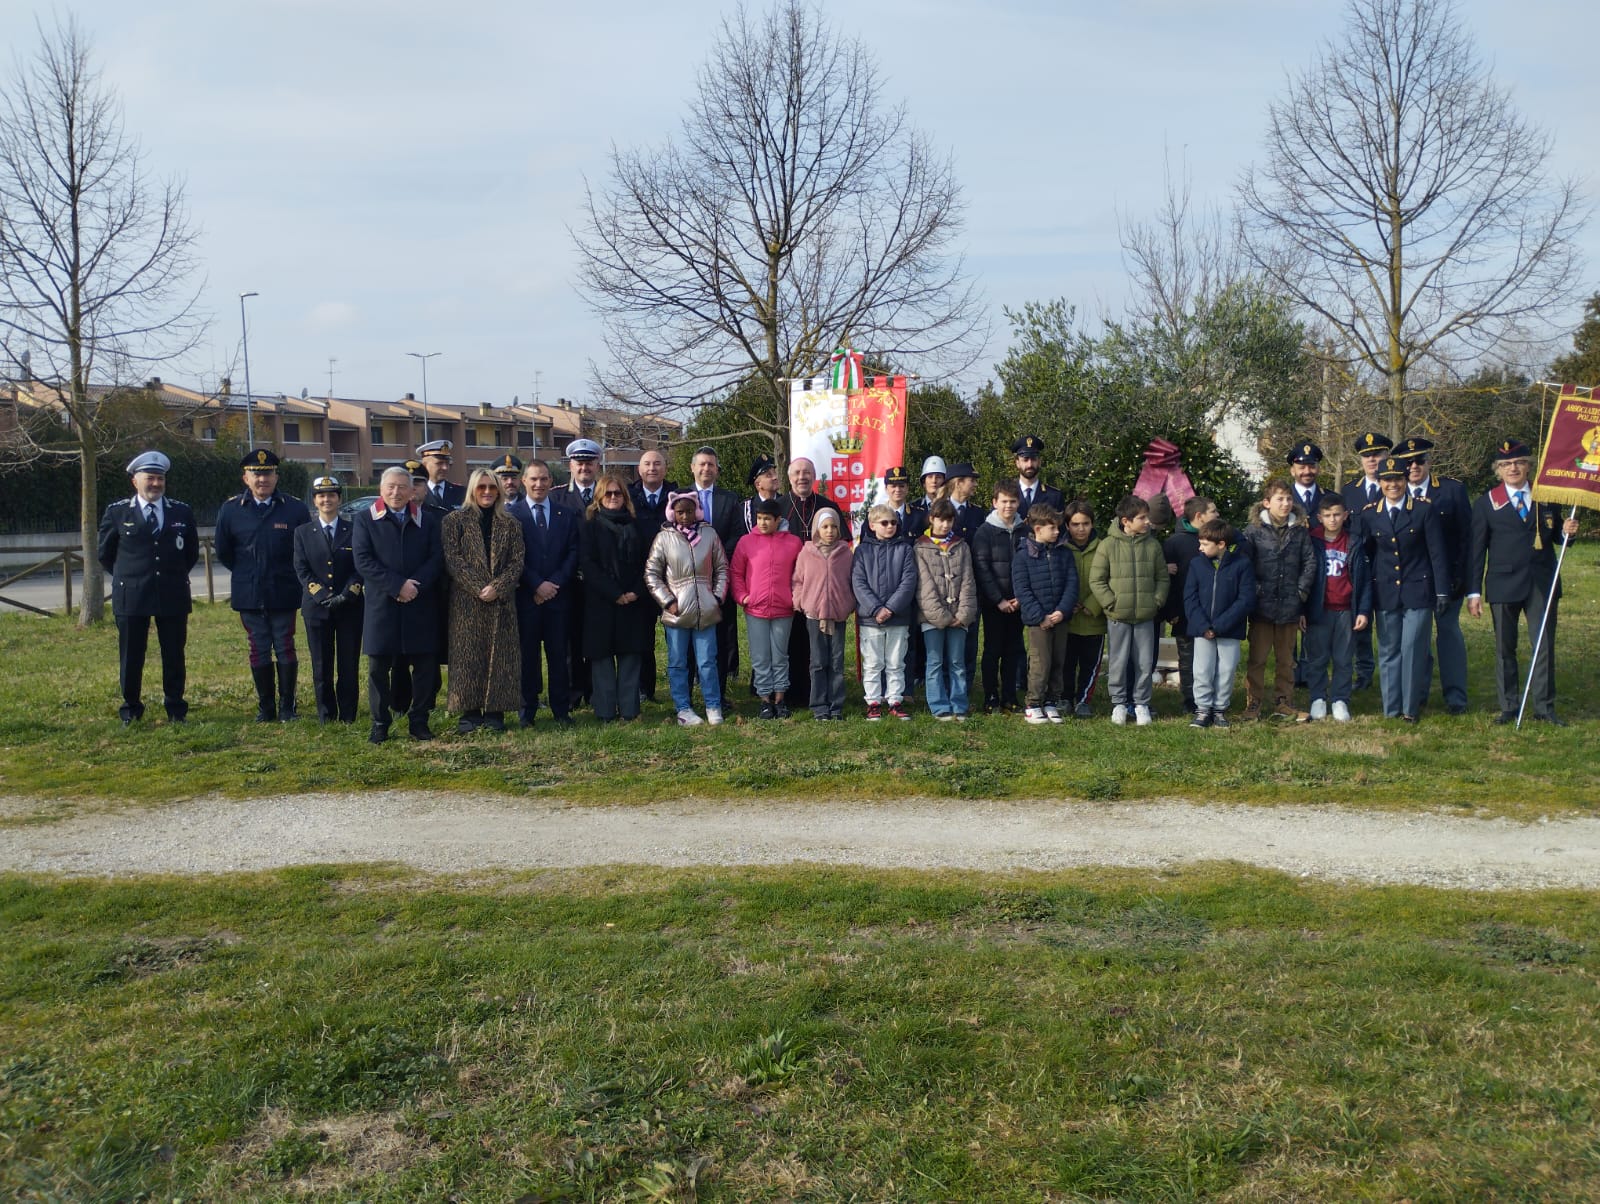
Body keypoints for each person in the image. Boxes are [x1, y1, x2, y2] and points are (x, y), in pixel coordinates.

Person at [1466, 439, 1580, 725]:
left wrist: (1568, 532)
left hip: (1541, 582)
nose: (1513, 468)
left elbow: (1559, 540)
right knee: (1505, 648)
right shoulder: (1487, 502)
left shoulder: (1546, 498)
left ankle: (1544, 707)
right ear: (1498, 470)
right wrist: (1473, 592)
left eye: (1518, 463)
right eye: (1505, 465)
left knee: (1543, 646)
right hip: (1503, 583)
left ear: (1528, 465)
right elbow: (1476, 551)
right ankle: (1509, 706)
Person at [96, 450, 200, 725]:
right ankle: (131, 709)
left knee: (174, 654)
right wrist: (130, 577)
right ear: (135, 481)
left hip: (172, 593)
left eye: (160, 479)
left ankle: (176, 708)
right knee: (131, 655)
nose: (155, 484)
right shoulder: (117, 512)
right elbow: (106, 554)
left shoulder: (181, 510)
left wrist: (170, 576)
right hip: (132, 595)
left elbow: (190, 553)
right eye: (150, 478)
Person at [215, 448, 311, 722]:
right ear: (245, 478)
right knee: (257, 647)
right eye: (256, 474)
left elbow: (305, 550)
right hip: (249, 591)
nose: (262, 480)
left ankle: (287, 707)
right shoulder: (231, 509)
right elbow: (224, 552)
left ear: (276, 476)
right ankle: (266, 707)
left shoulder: (294, 509)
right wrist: (250, 573)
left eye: (267, 473)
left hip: (284, 589)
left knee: (285, 645)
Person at [352, 465, 445, 742]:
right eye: (390, 486)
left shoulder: (427, 520)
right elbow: (363, 560)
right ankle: (380, 723)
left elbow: (436, 559)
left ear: (411, 490)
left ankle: (419, 721)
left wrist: (414, 586)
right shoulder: (365, 519)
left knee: (425, 666)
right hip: (383, 605)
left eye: (402, 487)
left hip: (419, 602)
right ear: (381, 490)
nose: (396, 492)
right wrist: (397, 586)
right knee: (378, 669)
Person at [1361, 455, 1451, 723]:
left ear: (1405, 480)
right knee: (1388, 651)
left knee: (1412, 649)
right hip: (1385, 591)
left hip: (1418, 590)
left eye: (1397, 479)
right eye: (1387, 480)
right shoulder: (1369, 514)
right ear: (1379, 482)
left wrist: (1442, 591)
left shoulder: (1423, 510)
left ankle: (1410, 709)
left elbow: (1437, 553)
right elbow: (1365, 556)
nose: (1393, 485)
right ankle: (1391, 709)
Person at [441, 469, 524, 734]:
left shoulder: (510, 523)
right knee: (468, 658)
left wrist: (497, 587)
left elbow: (517, 562)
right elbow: (453, 560)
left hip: (501, 603)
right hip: (467, 602)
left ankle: (495, 712)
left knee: (500, 658)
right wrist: (479, 588)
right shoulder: (455, 521)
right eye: (481, 488)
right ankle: (469, 712)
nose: (487, 492)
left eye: (492, 488)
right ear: (472, 490)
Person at [1394, 436, 1472, 714]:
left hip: (1447, 580)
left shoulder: (1452, 491)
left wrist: (1462, 577)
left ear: (1429, 462)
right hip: (1413, 581)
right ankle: (1418, 693)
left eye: (1419, 460)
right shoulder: (1393, 494)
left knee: (1448, 635)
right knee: (1416, 640)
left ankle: (1456, 698)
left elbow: (1466, 539)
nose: (1414, 466)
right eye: (1408, 462)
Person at [646, 492, 729, 726]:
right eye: (680, 512)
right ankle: (683, 708)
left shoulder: (709, 534)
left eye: (689, 511)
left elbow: (722, 567)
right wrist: (667, 601)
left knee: (707, 661)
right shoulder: (664, 538)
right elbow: (652, 573)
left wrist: (716, 597)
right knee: (678, 662)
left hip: (706, 609)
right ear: (672, 512)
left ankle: (713, 705)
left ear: (697, 511)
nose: (684, 516)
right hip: (677, 611)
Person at [507, 459, 579, 727]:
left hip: (558, 598)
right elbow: (513, 556)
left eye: (544, 479)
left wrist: (553, 584)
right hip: (527, 597)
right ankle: (527, 711)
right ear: (524, 481)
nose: (539, 484)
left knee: (559, 655)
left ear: (551, 482)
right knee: (528, 657)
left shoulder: (565, 514)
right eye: (534, 479)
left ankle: (561, 709)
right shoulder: (512, 515)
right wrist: (537, 585)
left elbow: (573, 553)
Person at [580, 472, 656, 722]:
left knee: (630, 657)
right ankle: (604, 711)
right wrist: (614, 593)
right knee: (601, 659)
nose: (613, 498)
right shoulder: (590, 525)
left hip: (633, 602)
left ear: (625, 497)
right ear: (599, 497)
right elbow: (587, 564)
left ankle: (630, 710)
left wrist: (635, 591)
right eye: (608, 493)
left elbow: (648, 561)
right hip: (601, 603)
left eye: (618, 493)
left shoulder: (636, 525)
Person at [1239, 480, 1316, 722]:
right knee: (1258, 658)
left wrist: (1300, 592)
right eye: (1280, 499)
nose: (1285, 504)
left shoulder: (1300, 531)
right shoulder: (1253, 531)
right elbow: (1245, 565)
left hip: (1290, 606)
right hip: (1262, 606)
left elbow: (1310, 563)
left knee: (1286, 659)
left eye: (1289, 499)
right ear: (1267, 503)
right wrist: (1257, 591)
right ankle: (1254, 703)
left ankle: (1284, 701)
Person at [1089, 494, 1168, 725]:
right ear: (1126, 521)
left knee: (1144, 663)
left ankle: (1141, 703)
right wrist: (1111, 603)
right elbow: (1097, 580)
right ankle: (1119, 704)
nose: (1147, 522)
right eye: (1142, 518)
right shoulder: (1107, 545)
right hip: (1118, 618)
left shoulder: (1153, 546)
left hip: (1145, 617)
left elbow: (1162, 578)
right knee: (1118, 661)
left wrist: (1156, 602)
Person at [292, 476, 365, 724]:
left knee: (348, 663)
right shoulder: (302, 532)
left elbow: (360, 566)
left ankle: (347, 714)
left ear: (339, 499)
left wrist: (348, 593)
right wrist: (322, 595)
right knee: (321, 664)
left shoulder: (354, 530)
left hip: (349, 607)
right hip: (316, 608)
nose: (326, 500)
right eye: (321, 496)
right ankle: (326, 714)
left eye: (331, 495)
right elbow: (301, 568)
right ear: (314, 500)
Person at [729, 496, 804, 719]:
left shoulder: (793, 543)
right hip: (756, 609)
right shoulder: (746, 542)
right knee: (761, 656)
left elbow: (800, 575)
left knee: (780, 656)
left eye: (767, 519)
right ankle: (764, 699)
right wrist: (742, 596)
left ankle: (780, 699)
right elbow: (736, 572)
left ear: (778, 519)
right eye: (759, 518)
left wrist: (794, 598)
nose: (762, 523)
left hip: (784, 608)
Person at [781, 456, 845, 709]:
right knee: (793, 643)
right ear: (789, 477)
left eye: (807, 472)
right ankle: (796, 693)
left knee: (825, 651)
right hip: (792, 588)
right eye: (797, 473)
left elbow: (842, 547)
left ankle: (822, 695)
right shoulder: (781, 506)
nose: (802, 477)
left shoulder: (828, 507)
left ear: (814, 476)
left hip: (823, 593)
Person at [1303, 495, 1372, 723]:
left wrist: (1362, 610)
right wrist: (1301, 610)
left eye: (1337, 515)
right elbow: (1303, 577)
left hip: (1346, 609)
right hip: (1318, 609)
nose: (1333, 519)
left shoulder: (1354, 542)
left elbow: (1363, 580)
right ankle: (1318, 698)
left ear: (1345, 515)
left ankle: (1340, 699)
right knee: (1317, 657)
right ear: (1319, 518)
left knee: (1344, 658)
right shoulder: (1311, 540)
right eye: (1328, 515)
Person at [1182, 519, 1256, 728]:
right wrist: (1204, 626)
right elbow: (1190, 597)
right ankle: (1203, 709)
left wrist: (1220, 625)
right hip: (1202, 629)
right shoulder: (1196, 564)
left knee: (1226, 670)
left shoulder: (1242, 565)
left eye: (1205, 544)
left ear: (1221, 544)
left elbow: (1246, 599)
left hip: (1229, 629)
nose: (1200, 548)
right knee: (1202, 670)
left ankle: (1220, 709)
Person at [1013, 504, 1079, 725]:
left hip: (1060, 618)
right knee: (1040, 663)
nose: (1058, 532)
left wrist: (1062, 611)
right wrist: (1040, 616)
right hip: (1038, 622)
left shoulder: (1064, 554)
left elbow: (1072, 584)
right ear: (1038, 528)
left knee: (1058, 661)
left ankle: (1052, 701)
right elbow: (1022, 590)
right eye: (1052, 528)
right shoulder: (1023, 556)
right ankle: (1033, 703)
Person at [687, 446, 744, 702]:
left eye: (710, 464)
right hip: (687, 581)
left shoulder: (730, 499)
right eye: (701, 464)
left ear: (716, 469)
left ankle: (718, 694)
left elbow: (736, 535)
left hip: (720, 579)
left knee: (721, 638)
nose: (706, 468)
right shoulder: (679, 497)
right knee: (687, 641)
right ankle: (685, 696)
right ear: (693, 468)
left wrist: (715, 561)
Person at [914, 498, 978, 720]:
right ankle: (939, 705)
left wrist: (962, 614)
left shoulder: (962, 546)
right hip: (932, 617)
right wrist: (941, 616)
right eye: (940, 520)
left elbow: (968, 581)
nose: (945, 525)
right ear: (932, 519)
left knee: (957, 662)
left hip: (959, 616)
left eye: (949, 520)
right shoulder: (920, 546)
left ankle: (959, 704)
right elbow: (925, 587)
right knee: (934, 662)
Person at [853, 504, 917, 721]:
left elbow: (908, 582)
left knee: (896, 661)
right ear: (872, 525)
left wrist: (890, 608)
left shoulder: (905, 549)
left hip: (898, 617)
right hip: (870, 619)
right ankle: (873, 701)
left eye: (893, 523)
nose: (890, 527)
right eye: (884, 523)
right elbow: (858, 582)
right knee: (872, 662)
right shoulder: (862, 551)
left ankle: (895, 700)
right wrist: (875, 608)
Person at [1340, 431, 1393, 691]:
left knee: (1386, 625)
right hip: (1358, 569)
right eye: (1367, 456)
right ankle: (1363, 673)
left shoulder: (1395, 487)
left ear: (1387, 456)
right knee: (1359, 624)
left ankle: (1390, 673)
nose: (1372, 460)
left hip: (1386, 567)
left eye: (1378, 454)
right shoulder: (1349, 492)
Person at [792, 509, 855, 720]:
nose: (829, 531)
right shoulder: (806, 552)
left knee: (837, 662)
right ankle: (819, 706)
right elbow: (798, 580)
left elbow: (851, 581)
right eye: (825, 526)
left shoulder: (845, 553)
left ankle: (836, 705)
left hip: (837, 614)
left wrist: (848, 604)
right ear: (817, 529)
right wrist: (800, 601)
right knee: (818, 662)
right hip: (814, 615)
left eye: (833, 526)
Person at [554, 438, 602, 710]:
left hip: (597, 582)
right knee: (570, 640)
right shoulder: (557, 496)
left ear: (597, 464)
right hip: (568, 581)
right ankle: (572, 692)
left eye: (589, 462)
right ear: (570, 465)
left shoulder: (608, 493)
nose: (584, 467)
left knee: (595, 637)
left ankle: (596, 692)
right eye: (579, 462)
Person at [972, 481, 1027, 713]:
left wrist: (1021, 597)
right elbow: (982, 568)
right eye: (1004, 501)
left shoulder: (1026, 529)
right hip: (994, 603)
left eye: (1013, 501)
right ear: (995, 503)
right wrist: (999, 600)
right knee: (993, 649)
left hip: (1019, 602)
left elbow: (1029, 566)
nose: (1008, 506)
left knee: (1014, 649)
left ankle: (1010, 696)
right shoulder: (984, 532)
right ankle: (991, 696)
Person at [1161, 495, 1218, 716]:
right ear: (1199, 516)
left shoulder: (1219, 540)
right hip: (1183, 613)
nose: (1217, 515)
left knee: (1209, 658)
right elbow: (1168, 580)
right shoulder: (1175, 543)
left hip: (1211, 612)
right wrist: (1171, 611)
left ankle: (1209, 697)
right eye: (1213, 511)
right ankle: (1190, 699)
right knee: (1187, 658)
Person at [628, 448, 677, 701]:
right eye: (647, 464)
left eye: (657, 463)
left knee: (676, 637)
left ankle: (681, 685)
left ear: (665, 468)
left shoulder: (676, 496)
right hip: (641, 578)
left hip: (672, 579)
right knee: (643, 637)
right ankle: (645, 687)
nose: (652, 468)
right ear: (639, 469)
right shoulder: (628, 496)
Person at [1062, 500, 1107, 719]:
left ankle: (1083, 700)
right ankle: (1065, 697)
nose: (1081, 529)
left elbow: (1111, 579)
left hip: (1093, 619)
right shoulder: (1061, 549)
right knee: (1066, 662)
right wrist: (1067, 604)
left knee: (1090, 663)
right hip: (1067, 618)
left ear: (1092, 524)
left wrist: (1092, 604)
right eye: (1075, 524)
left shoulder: (1104, 548)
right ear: (1067, 526)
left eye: (1086, 524)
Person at [1011, 434, 1064, 513]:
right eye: (1025, 460)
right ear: (1017, 463)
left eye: (1033, 459)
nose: (1030, 464)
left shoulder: (1054, 496)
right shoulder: (1006, 495)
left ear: (1039, 462)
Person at [742, 455, 787, 534]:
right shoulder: (746, 509)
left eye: (775, 473)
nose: (775, 477)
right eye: (769, 475)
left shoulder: (786, 503)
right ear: (758, 484)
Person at [417, 439, 465, 510]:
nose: (445, 467)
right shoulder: (416, 492)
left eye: (447, 463)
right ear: (424, 465)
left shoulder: (462, 492)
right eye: (439, 463)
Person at [1286, 441, 1329, 516]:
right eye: (1302, 468)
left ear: (1318, 469)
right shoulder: (1283, 499)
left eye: (1312, 467)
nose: (1307, 472)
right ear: (1292, 471)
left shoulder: (1330, 497)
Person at [881, 465, 915, 531]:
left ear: (907, 488)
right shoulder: (877, 515)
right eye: (893, 486)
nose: (898, 490)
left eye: (901, 486)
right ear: (886, 489)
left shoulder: (918, 515)